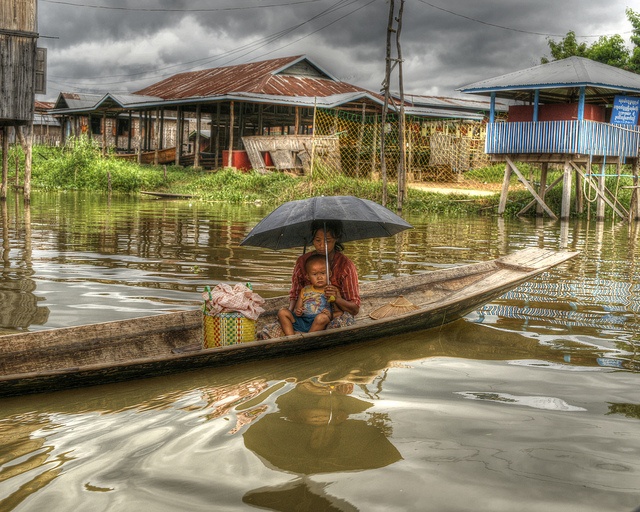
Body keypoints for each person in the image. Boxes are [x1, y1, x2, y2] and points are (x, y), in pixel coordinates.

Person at [257, 220, 361, 339]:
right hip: (303, 319)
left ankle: (306, 340)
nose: (322, 245)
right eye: (318, 240)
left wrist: (336, 299)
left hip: (330, 318)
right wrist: (292, 313)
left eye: (328, 241)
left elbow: (354, 309)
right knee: (268, 332)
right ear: (312, 239)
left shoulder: (346, 266)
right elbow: (295, 294)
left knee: (340, 325)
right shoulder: (303, 262)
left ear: (336, 239)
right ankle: (294, 340)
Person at [277, 253, 341, 335]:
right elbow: (297, 309)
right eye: (314, 274)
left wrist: (330, 315)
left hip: (318, 323)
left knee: (322, 318)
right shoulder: (305, 290)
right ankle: (291, 338)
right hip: (302, 321)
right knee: (282, 312)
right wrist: (299, 312)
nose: (319, 277)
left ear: (330, 274)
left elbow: (339, 312)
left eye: (323, 273)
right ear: (308, 277)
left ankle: (306, 338)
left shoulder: (332, 290)